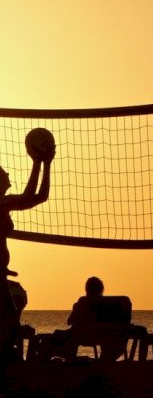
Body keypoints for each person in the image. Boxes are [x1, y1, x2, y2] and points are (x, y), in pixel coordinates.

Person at [0, 144, 54, 363]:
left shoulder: (5, 202)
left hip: (2, 275)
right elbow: (30, 195)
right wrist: (37, 161)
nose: (7, 172)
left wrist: (47, 164)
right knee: (9, 319)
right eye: (2, 172)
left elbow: (40, 197)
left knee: (12, 313)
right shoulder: (1, 203)